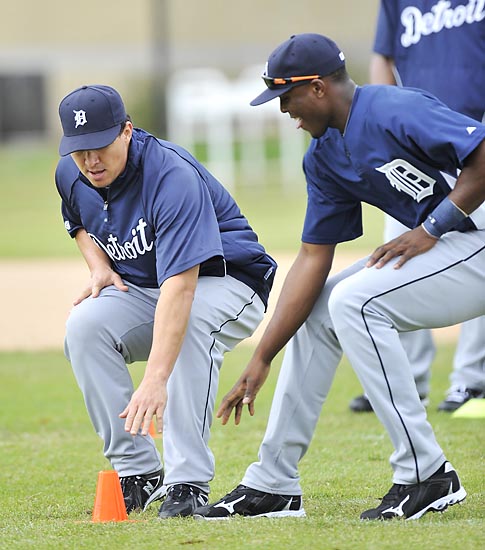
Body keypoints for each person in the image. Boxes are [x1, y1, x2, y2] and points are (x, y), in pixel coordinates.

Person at [193, 33, 485, 521]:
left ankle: (426, 474)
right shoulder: (324, 154)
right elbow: (312, 258)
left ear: (319, 87)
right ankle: (273, 484)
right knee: (326, 306)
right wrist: (263, 355)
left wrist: (431, 228)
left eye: (286, 96)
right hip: (457, 247)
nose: (283, 110)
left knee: (358, 302)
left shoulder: (394, 107)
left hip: (475, 237)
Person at [54, 84, 277, 518]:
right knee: (84, 326)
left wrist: (156, 378)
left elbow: (181, 285)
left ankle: (187, 482)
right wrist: (98, 266)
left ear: (126, 131)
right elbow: (77, 221)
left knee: (189, 325)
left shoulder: (169, 175)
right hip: (155, 287)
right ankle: (138, 472)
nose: (90, 161)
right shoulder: (71, 172)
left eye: (99, 146)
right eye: (79, 150)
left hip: (229, 279)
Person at [349, 0, 485, 414]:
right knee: (396, 258)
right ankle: (405, 378)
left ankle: (472, 381)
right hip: (415, 145)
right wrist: (383, 119)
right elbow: (383, 58)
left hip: (475, 144)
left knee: (476, 251)